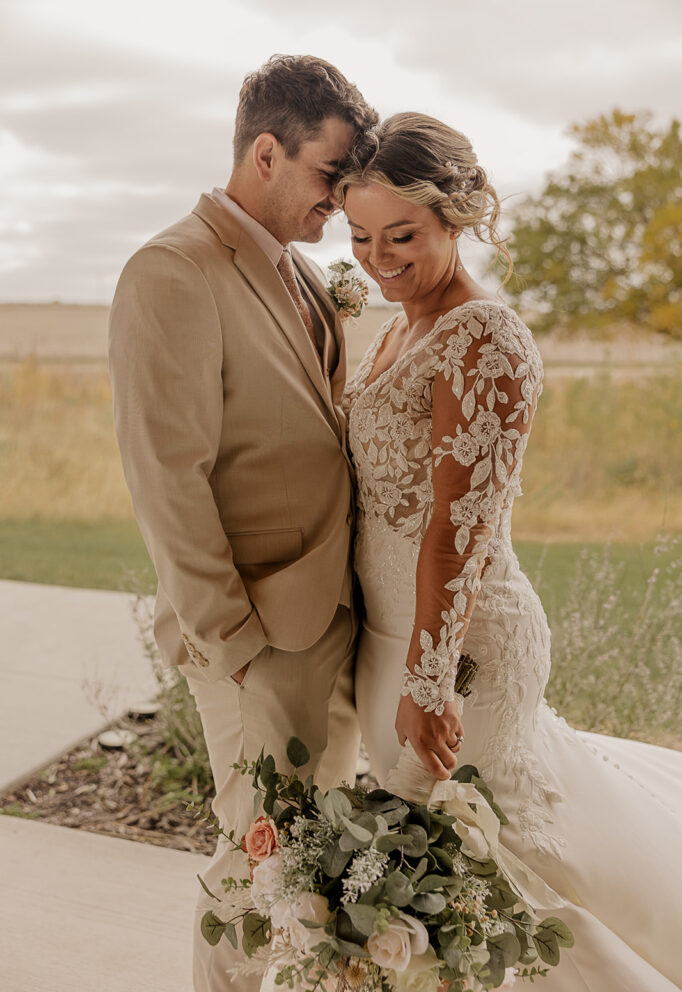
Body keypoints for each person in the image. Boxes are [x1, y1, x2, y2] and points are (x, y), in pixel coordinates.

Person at [337, 112, 682, 991]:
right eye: (361, 236)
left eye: (403, 235)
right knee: (431, 884)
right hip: (392, 640)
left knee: (483, 873)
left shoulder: (485, 338)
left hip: (462, 652)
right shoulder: (397, 329)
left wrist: (426, 683)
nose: (380, 258)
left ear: (458, 216)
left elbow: (458, 531)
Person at [108, 54, 377, 992]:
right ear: (266, 152)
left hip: (331, 619)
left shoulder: (305, 276)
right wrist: (236, 645)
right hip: (258, 638)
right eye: (327, 177)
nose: (340, 203)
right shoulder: (173, 270)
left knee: (316, 871)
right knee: (255, 875)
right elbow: (166, 477)